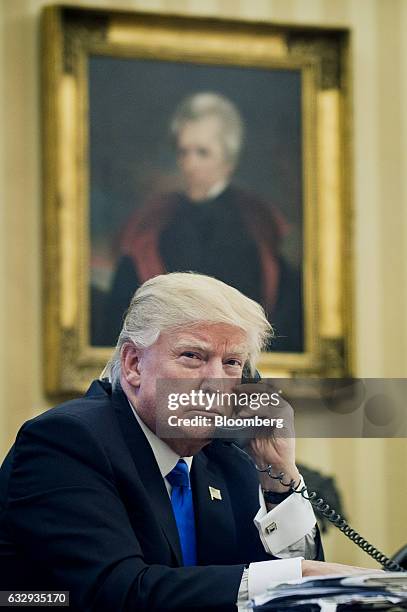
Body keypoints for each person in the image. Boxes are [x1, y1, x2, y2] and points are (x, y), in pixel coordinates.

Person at [0, 273, 368, 611]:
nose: (215, 383)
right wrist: (293, 577)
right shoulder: (68, 442)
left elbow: (279, 594)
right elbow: (114, 592)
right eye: (193, 356)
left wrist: (278, 474)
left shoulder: (227, 458)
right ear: (133, 365)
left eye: (232, 363)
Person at [101, 92, 302, 351]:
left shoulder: (259, 225)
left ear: (228, 161)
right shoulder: (153, 222)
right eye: (184, 152)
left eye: (202, 153)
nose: (189, 164)